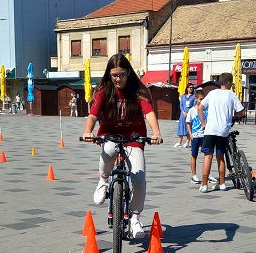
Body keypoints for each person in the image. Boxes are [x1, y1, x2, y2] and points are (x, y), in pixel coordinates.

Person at [83, 53, 163, 239]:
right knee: (108, 150)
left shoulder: (139, 91)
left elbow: (149, 113)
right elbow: (93, 115)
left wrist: (156, 133)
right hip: (110, 134)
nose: (118, 79)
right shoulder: (103, 91)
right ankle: (103, 181)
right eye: (114, 75)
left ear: (128, 72)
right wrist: (88, 131)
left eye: (121, 75)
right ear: (109, 74)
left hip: (134, 137)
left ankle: (135, 217)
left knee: (139, 179)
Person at [197, 73, 245, 193]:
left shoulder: (212, 93)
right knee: (220, 157)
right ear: (228, 82)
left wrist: (203, 123)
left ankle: (204, 185)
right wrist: (234, 117)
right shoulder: (231, 95)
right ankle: (222, 184)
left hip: (210, 129)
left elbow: (200, 108)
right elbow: (242, 112)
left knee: (208, 157)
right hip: (223, 130)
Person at [185, 88, 206, 183]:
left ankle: (206, 173)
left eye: (203, 99)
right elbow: (188, 123)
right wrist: (190, 135)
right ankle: (194, 175)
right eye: (200, 99)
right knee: (194, 155)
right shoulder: (192, 111)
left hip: (205, 135)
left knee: (207, 155)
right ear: (196, 99)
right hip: (195, 135)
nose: (202, 101)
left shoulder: (206, 109)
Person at [176, 83, 196, 147]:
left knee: (189, 127)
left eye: (192, 88)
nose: (191, 89)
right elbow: (181, 105)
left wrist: (189, 113)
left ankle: (187, 142)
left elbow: (194, 105)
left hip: (190, 114)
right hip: (183, 114)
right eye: (190, 87)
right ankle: (179, 142)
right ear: (187, 88)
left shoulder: (194, 96)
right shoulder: (183, 96)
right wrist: (183, 112)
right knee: (181, 127)